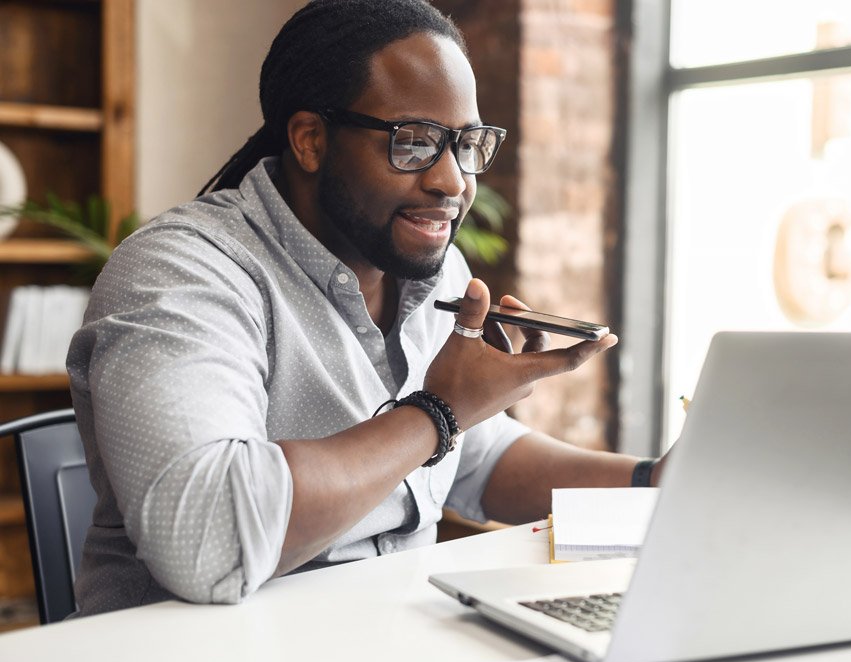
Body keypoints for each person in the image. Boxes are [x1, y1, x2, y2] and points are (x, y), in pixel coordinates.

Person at [66, 0, 665, 616]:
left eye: (466, 145)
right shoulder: (183, 272)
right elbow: (207, 542)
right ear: (310, 141)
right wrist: (437, 412)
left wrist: (652, 484)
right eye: (414, 142)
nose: (453, 181)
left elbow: (475, 461)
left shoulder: (433, 272)